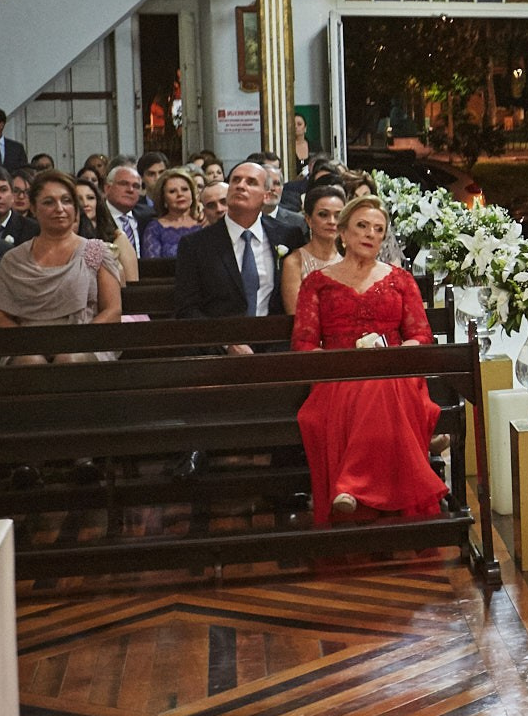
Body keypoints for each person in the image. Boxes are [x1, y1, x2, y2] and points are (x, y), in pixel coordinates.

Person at [291, 196, 446, 523]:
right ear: (343, 233)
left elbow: (421, 335)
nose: (371, 234)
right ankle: (385, 481)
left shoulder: (400, 280)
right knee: (365, 389)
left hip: (393, 370)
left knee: (382, 383)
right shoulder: (317, 283)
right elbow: (304, 343)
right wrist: (340, 365)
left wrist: (399, 354)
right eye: (362, 226)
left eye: (379, 229)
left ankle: (350, 487)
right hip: (338, 374)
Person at [0, 171, 122, 353]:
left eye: (66, 201)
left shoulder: (96, 251)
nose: (59, 208)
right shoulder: (14, 259)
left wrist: (76, 341)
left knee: (69, 358)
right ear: (34, 208)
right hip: (27, 347)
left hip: (86, 343)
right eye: (49, 202)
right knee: (30, 363)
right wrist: (30, 344)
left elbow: (112, 310)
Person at [174, 160, 306, 327]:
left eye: (251, 182)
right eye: (235, 180)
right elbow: (187, 308)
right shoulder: (195, 245)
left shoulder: (288, 236)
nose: (240, 186)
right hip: (219, 344)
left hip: (275, 340)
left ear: (266, 196)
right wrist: (226, 343)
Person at [281, 183, 346, 314]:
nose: (332, 221)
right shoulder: (294, 263)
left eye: (338, 216)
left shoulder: (348, 261)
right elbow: (295, 314)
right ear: (309, 219)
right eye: (323, 215)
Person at [74, 176, 139, 283]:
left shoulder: (118, 237)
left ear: (98, 202)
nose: (85, 203)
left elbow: (132, 284)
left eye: (90, 198)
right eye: (78, 199)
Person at [139, 166, 205, 260]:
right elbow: (152, 268)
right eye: (172, 191)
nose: (180, 194)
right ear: (163, 198)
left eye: (184, 189)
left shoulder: (204, 222)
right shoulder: (154, 229)